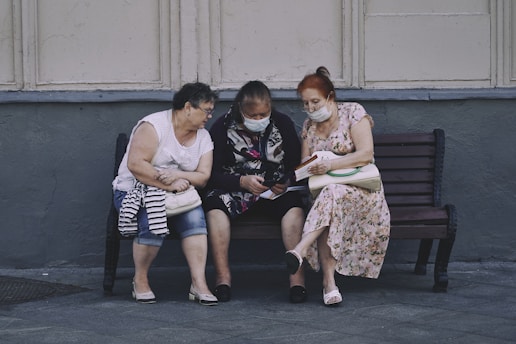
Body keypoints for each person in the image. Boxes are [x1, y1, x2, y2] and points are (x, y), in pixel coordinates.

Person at [285, 67, 390, 306]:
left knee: (331, 196)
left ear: (330, 97)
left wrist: (330, 163)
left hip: (362, 192)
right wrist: (309, 166)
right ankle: (328, 283)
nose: (311, 109)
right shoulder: (308, 126)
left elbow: (366, 154)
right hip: (327, 196)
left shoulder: (353, 112)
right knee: (330, 199)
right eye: (306, 104)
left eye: (315, 102)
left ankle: (302, 252)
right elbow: (304, 163)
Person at [112, 82, 219, 305]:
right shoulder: (154, 126)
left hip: (179, 196)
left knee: (195, 218)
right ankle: (140, 280)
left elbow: (203, 176)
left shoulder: (203, 137)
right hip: (135, 191)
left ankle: (199, 284)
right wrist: (168, 183)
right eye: (206, 110)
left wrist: (179, 177)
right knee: (152, 217)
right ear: (188, 107)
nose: (209, 116)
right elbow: (136, 165)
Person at [203, 80, 307, 303]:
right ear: (241, 109)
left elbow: (296, 163)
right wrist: (240, 182)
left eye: (264, 114)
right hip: (235, 189)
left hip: (274, 191)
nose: (259, 119)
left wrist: (286, 181)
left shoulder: (282, 123)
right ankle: (223, 278)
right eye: (254, 115)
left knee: (294, 210)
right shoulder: (222, 126)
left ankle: (297, 281)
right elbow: (210, 174)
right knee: (214, 209)